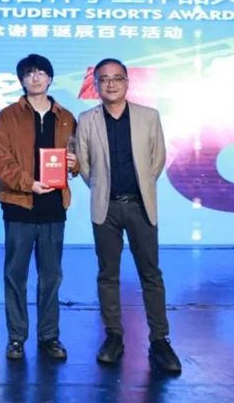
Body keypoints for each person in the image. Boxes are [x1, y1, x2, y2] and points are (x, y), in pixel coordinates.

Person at [76, 58, 182, 374]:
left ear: (127, 82)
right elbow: (84, 165)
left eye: (117, 78)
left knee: (151, 274)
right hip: (105, 207)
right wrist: (102, 189)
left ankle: (160, 340)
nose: (110, 84)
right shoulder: (87, 119)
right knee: (108, 274)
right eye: (104, 79)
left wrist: (141, 187)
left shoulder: (149, 117)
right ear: (96, 85)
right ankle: (113, 336)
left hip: (139, 205)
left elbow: (157, 159)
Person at [0, 54, 79, 361]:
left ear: (50, 78)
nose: (36, 78)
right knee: (15, 275)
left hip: (54, 207)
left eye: (41, 72)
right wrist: (29, 183)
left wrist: (75, 163)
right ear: (22, 80)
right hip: (19, 206)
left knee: (51, 276)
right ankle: (16, 337)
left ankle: (49, 336)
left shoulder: (66, 117)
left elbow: (79, 158)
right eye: (29, 73)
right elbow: (0, 161)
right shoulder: (7, 117)